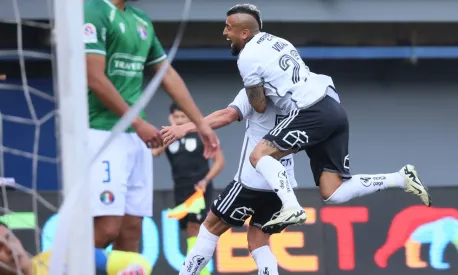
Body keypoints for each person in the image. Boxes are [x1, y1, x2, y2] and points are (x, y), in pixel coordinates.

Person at [222, 4, 432, 233]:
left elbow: (260, 106)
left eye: (228, 28)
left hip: (311, 110)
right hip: (333, 108)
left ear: (244, 33)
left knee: (259, 155)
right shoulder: (277, 41)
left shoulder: (246, 57)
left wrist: (254, 91)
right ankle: (400, 178)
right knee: (332, 192)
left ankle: (291, 206)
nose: (225, 33)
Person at [83, 0, 220, 252]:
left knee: (131, 231)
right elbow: (94, 77)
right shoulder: (92, 10)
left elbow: (166, 74)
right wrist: (136, 122)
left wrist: (201, 123)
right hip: (101, 133)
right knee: (106, 229)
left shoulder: (141, 20)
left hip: (136, 139)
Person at [161, 89, 297, 275]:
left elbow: (227, 115)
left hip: (252, 181)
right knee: (258, 242)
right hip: (282, 185)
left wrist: (184, 127)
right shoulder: (298, 94)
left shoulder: (254, 90)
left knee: (209, 229)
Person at [152, 103, 224, 275]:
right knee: (190, 231)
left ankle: (200, 271)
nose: (179, 120)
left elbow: (220, 162)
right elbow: (155, 152)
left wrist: (206, 180)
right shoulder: (169, 137)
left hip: (200, 188)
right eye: (176, 117)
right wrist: (173, 130)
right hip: (181, 189)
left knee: (198, 227)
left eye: (183, 117)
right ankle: (195, 269)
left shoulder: (202, 134)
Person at [0, 222, 151, 275]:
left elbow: (137, 262)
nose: (9, 248)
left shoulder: (60, 259)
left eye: (9, 238)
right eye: (0, 247)